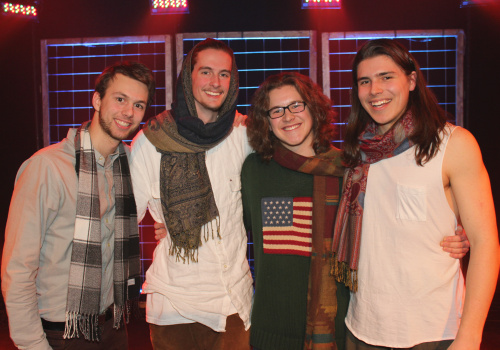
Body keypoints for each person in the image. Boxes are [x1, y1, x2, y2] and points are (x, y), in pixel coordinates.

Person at [332, 39, 499, 349]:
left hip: (433, 331)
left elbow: (486, 244)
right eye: (364, 81)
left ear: (410, 81)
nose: (375, 89)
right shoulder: (357, 152)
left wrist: (470, 336)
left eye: (386, 77)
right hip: (362, 328)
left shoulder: (453, 143)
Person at [1, 61, 155, 349]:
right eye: (120, 99)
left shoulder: (128, 165)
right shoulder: (47, 167)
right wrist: (32, 344)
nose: (128, 112)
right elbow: (18, 269)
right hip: (64, 334)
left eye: (138, 105)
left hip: (114, 326)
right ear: (97, 99)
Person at [129, 38, 253, 349]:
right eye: (206, 72)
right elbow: (125, 218)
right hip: (175, 303)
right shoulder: (151, 140)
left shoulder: (245, 134)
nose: (215, 82)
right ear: (188, 76)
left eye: (224, 74)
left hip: (232, 301)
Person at [242, 72, 349, 350]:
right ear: (266, 121)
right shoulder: (255, 171)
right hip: (272, 332)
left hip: (337, 331)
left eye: (296, 105)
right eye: (276, 110)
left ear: (314, 108)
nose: (288, 116)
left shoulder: (349, 170)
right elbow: (226, 229)